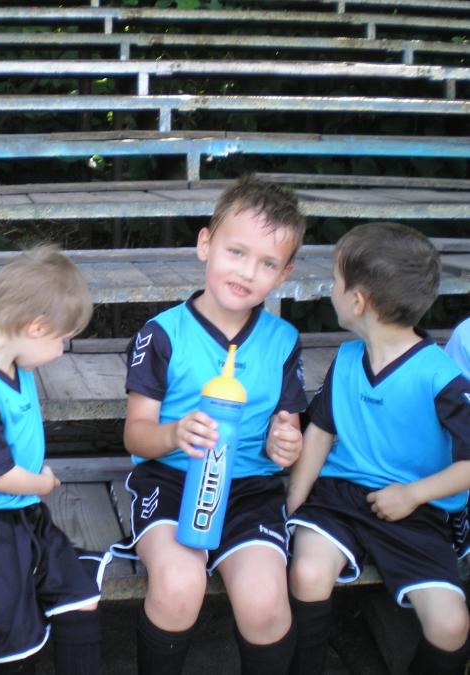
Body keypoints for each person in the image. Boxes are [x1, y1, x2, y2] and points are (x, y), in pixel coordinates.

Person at [111, 176, 308, 675]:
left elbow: (287, 428)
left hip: (248, 490)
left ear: (284, 274)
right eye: (236, 252)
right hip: (171, 482)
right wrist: (174, 434)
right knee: (180, 586)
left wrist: (287, 444)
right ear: (205, 244)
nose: (247, 272)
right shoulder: (162, 334)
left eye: (267, 263)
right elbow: (136, 434)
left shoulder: (283, 340)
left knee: (266, 604)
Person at [286, 222, 470, 675]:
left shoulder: (441, 378)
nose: (329, 289)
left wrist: (413, 494)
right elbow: (320, 431)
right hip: (339, 498)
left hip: (418, 511)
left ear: (357, 301)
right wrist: (293, 503)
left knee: (451, 625)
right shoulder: (348, 359)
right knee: (308, 573)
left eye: (335, 280)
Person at [0, 245, 108, 675]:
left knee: (80, 600)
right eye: (61, 339)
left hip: (25, 514)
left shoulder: (16, 363)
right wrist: (43, 484)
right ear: (36, 327)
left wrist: (34, 492)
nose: (62, 350)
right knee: (17, 642)